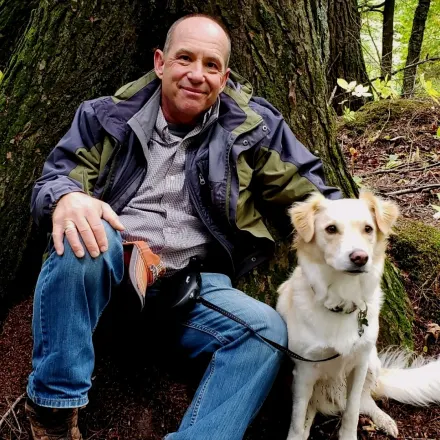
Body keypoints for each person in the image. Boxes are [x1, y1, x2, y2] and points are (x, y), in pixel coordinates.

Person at [25, 13, 341, 440]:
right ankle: (55, 411)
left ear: (225, 77)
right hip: (108, 273)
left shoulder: (250, 129)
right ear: (160, 62)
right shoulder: (106, 116)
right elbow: (55, 178)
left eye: (211, 65)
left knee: (266, 333)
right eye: (184, 59)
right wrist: (67, 197)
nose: (197, 75)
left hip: (186, 289)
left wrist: (357, 230)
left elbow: (313, 193)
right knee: (83, 238)